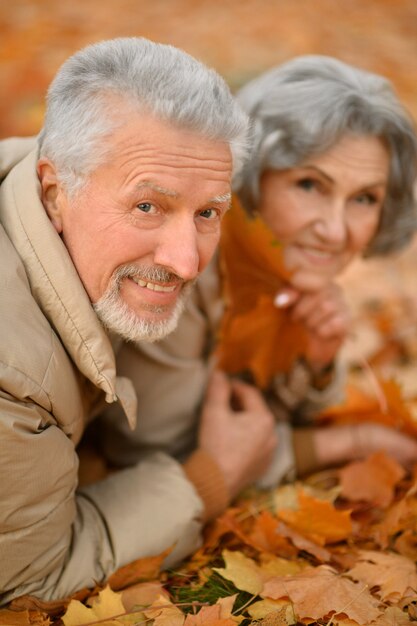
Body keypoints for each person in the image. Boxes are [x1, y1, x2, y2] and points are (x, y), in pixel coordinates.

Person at [0, 37, 281, 604]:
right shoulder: (11, 369)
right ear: (56, 193)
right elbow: (28, 580)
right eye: (147, 206)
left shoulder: (47, 182)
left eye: (207, 213)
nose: (185, 261)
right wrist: (210, 479)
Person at [99, 55, 417, 508]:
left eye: (364, 198)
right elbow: (153, 452)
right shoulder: (184, 269)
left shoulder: (285, 276)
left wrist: (317, 359)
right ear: (252, 175)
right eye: (310, 185)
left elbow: (267, 414)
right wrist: (341, 444)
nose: (336, 229)